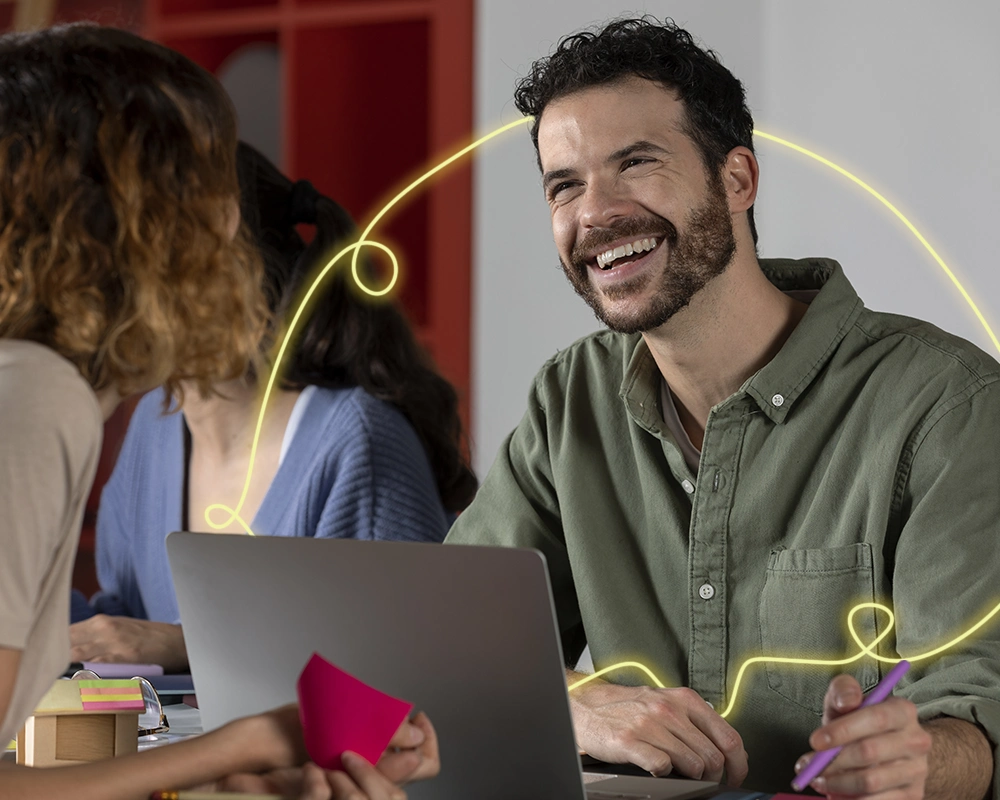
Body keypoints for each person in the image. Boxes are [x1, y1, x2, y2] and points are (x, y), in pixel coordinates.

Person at [445, 16, 1000, 799]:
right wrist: (574, 705)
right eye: (564, 185)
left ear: (737, 181)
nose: (594, 213)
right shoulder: (569, 401)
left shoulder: (946, 405)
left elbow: (981, 713)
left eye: (636, 163)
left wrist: (921, 762)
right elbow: (447, 645)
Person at [0, 23, 437, 799]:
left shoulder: (44, 392)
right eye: (202, 192)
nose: (231, 224)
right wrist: (249, 741)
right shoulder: (37, 398)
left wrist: (243, 778)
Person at [69, 141, 477, 670]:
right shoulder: (153, 427)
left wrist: (190, 645)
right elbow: (126, 633)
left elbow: (410, 669)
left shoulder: (358, 446)